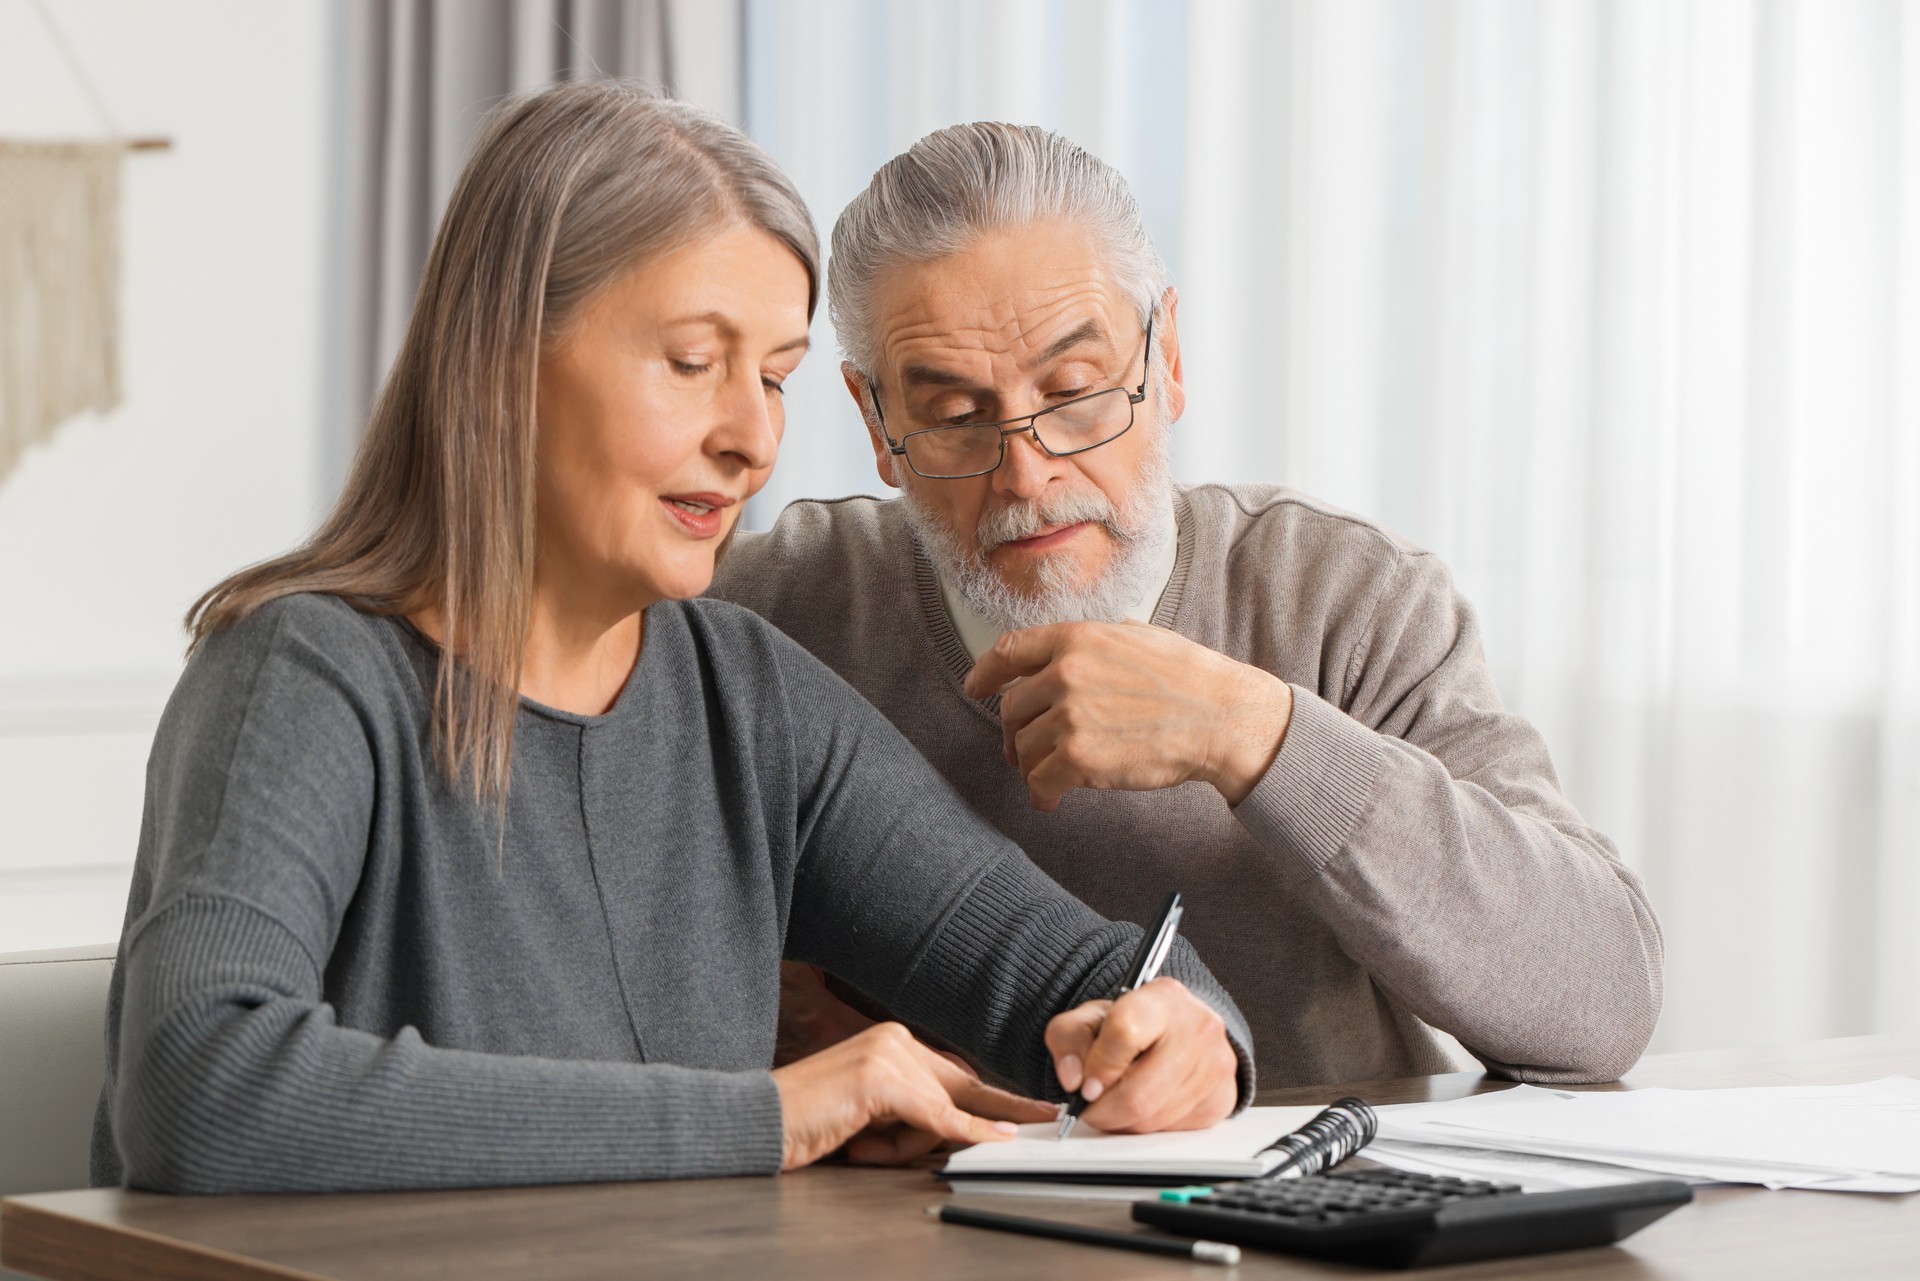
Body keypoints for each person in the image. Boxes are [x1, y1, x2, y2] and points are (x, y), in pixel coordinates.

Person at [89, 85, 1251, 1195]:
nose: (752, 437)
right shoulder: (301, 678)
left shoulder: (745, 697)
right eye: (693, 364)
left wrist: (1184, 1044)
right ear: (503, 361)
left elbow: (1097, 978)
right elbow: (202, 1087)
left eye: (777, 377)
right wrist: (774, 1114)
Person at [708, 123, 1665, 1088]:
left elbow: (1604, 1001)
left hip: (1311, 1205)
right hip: (913, 1223)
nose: (1029, 475)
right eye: (957, 418)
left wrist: (1252, 732)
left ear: (1165, 359)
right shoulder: (772, 609)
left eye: (1076, 392)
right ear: (878, 424)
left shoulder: (1344, 595)